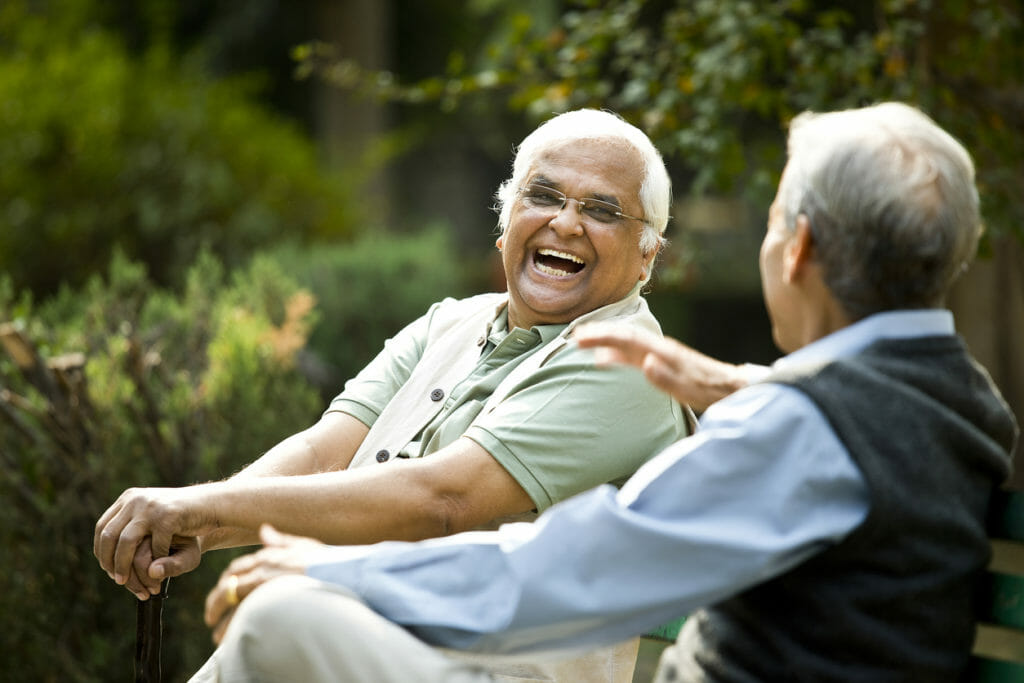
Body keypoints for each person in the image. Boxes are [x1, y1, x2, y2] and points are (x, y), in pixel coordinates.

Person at [196, 101, 1018, 683]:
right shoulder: (961, 402)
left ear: (796, 248)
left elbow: (575, 570)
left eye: (770, 221)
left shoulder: (806, 430)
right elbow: (854, 431)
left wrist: (335, 572)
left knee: (281, 617)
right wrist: (751, 386)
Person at [94, 108, 691, 683]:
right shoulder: (449, 323)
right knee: (279, 615)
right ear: (505, 218)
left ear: (647, 256)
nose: (565, 222)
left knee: (279, 617)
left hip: (498, 669)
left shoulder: (627, 362)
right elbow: (322, 453)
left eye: (602, 210)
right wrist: (198, 527)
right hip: (371, 641)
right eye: (543, 196)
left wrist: (206, 511)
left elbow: (444, 500)